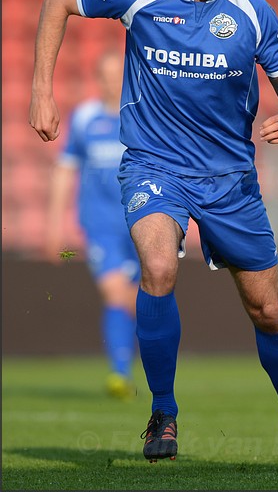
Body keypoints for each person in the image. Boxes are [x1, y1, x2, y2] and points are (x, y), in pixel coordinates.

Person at [30, 0, 278, 470]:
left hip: (229, 180)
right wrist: (42, 91)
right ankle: (163, 410)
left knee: (268, 311)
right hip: (155, 166)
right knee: (157, 267)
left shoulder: (252, 11)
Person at [44, 51, 140, 399]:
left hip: (143, 222)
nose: (112, 81)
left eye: (118, 74)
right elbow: (65, 169)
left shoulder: (143, 114)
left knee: (139, 299)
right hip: (100, 224)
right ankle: (119, 373)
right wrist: (54, 225)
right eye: (106, 74)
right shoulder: (84, 118)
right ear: (97, 78)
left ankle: (137, 370)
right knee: (116, 293)